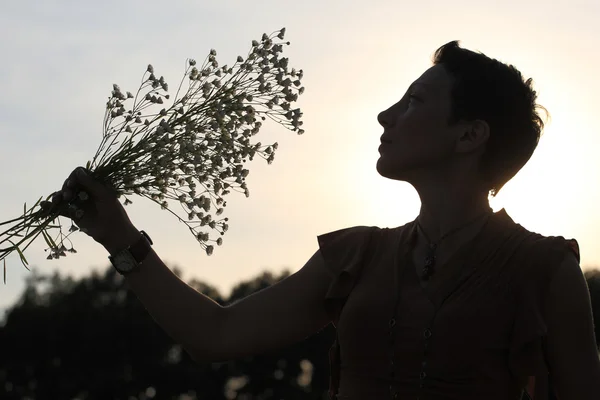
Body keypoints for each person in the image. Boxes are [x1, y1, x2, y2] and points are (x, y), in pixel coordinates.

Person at [40, 41, 600, 399]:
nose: (386, 114)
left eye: (414, 102)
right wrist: (117, 235)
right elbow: (214, 335)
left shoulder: (546, 272)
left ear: (469, 135)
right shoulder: (353, 258)